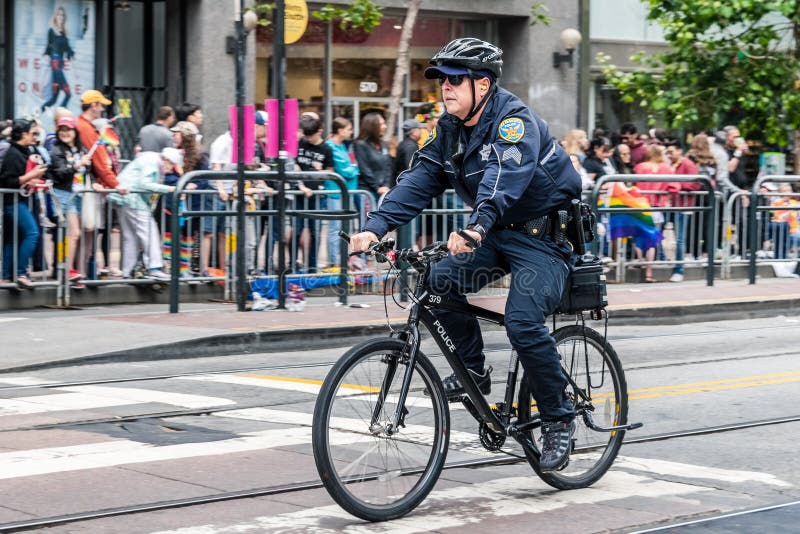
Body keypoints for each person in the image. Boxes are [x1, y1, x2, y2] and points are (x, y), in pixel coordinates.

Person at [348, 38, 581, 472]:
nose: (445, 88)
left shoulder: (514, 122)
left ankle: (557, 417)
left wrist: (475, 226)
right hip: (492, 235)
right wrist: (373, 227)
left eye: (456, 80)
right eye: (441, 80)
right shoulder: (448, 129)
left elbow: (502, 178)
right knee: (435, 285)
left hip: (542, 239)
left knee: (523, 321)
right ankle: (473, 370)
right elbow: (418, 180)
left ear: (484, 84)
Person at [107, 150, 177, 280]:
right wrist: (167, 189)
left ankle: (128, 271)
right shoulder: (152, 162)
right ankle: (154, 267)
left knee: (130, 237)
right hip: (133, 199)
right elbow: (144, 183)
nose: (171, 169)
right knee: (150, 232)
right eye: (172, 165)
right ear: (167, 160)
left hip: (125, 198)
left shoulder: (150, 159)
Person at [48, 116, 97, 282]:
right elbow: (60, 173)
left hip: (79, 195)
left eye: (68, 129)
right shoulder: (56, 150)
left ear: (75, 131)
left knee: (71, 235)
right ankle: (67, 271)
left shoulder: (80, 149)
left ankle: (67, 270)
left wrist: (93, 177)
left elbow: (88, 171)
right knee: (73, 233)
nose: (65, 133)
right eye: (62, 130)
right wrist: (76, 165)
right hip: (63, 195)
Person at [0, 119, 47, 288]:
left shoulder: (24, 151)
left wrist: (33, 180)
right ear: (23, 134)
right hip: (13, 202)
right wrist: (32, 176)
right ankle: (20, 272)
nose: (34, 137)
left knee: (13, 238)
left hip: (18, 200)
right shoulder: (14, 153)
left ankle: (6, 276)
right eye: (31, 133)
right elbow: (8, 181)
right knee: (32, 233)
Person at [295, 114, 333, 273]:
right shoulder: (300, 143)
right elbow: (294, 163)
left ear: (320, 132)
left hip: (317, 195)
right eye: (306, 136)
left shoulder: (326, 149)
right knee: (296, 230)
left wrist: (320, 170)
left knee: (314, 231)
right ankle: (293, 264)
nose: (308, 139)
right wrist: (300, 183)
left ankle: (311, 267)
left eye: (311, 136)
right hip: (300, 193)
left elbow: (331, 171)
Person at [323, 117, 359, 268]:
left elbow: (351, 165)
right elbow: (346, 170)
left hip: (347, 193)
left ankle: (343, 259)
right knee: (334, 229)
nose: (351, 132)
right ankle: (334, 262)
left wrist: (354, 168)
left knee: (345, 228)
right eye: (349, 129)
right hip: (335, 193)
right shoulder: (330, 146)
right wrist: (356, 169)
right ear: (339, 130)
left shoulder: (343, 146)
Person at [353, 112, 392, 207]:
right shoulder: (360, 144)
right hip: (367, 192)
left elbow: (388, 166)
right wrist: (377, 187)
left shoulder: (384, 144)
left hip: (383, 192)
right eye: (381, 124)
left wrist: (386, 185)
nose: (385, 126)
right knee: (368, 221)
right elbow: (365, 169)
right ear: (372, 126)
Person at [41, 6, 75, 112]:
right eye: (59, 14)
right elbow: (49, 46)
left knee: (54, 98)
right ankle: (61, 114)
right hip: (55, 64)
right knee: (68, 94)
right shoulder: (52, 31)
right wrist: (46, 55)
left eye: (62, 15)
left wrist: (71, 54)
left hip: (59, 64)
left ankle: (41, 109)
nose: (61, 17)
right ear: (55, 16)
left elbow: (67, 48)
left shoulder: (64, 32)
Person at [393, 119, 423, 187]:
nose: (421, 132)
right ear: (414, 132)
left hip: (402, 183)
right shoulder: (410, 146)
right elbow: (411, 168)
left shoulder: (404, 143)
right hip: (407, 185)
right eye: (419, 129)